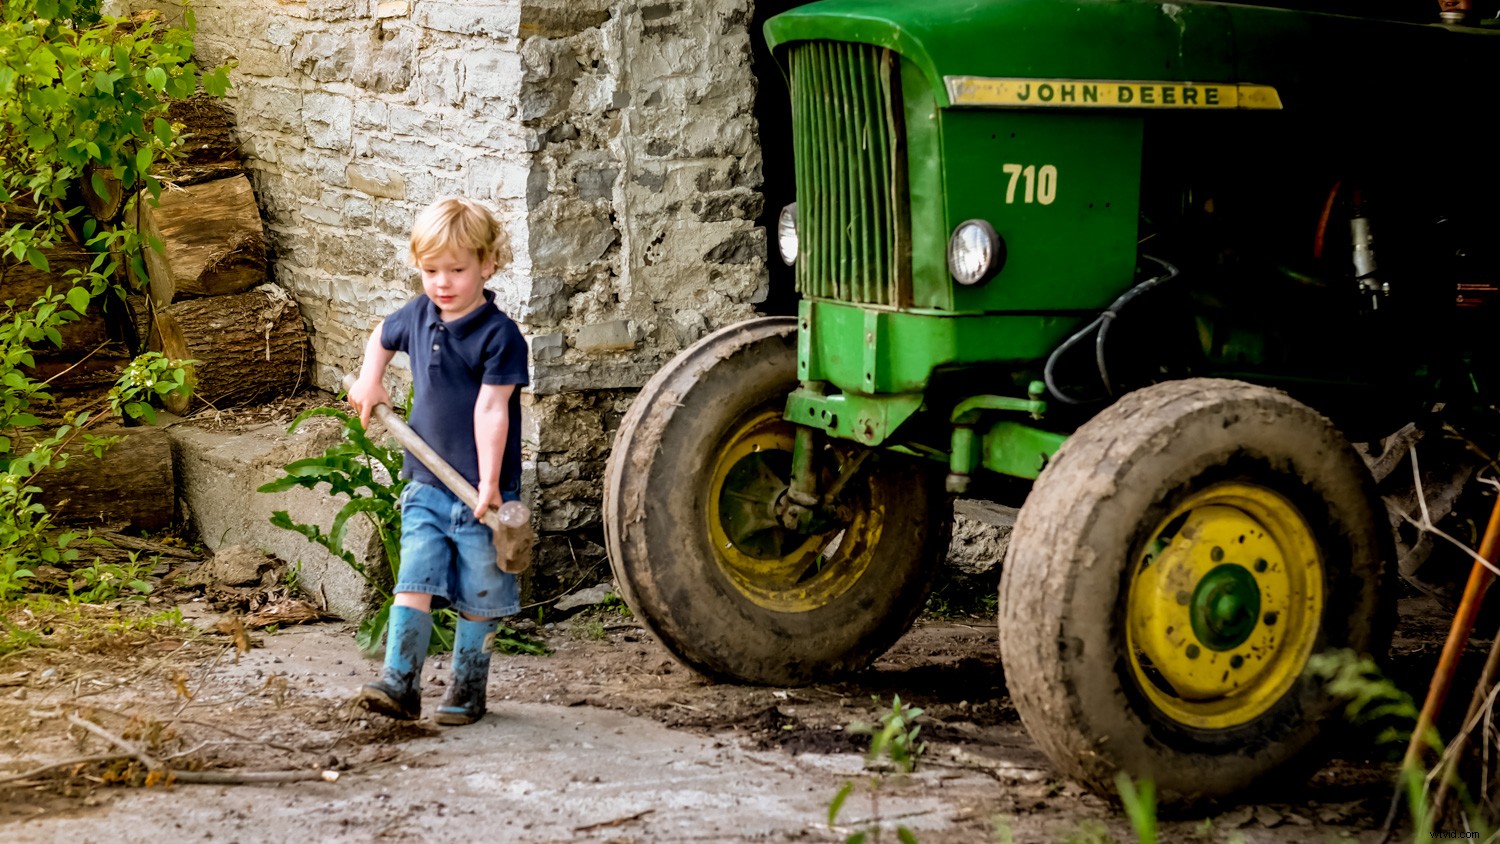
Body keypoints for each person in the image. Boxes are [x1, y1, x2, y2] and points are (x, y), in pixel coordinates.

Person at [346, 197, 529, 726]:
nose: (442, 282)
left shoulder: (500, 336)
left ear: (488, 264)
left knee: (480, 594)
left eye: (457, 270)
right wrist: (369, 378)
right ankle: (399, 684)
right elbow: (381, 336)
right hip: (425, 485)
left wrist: (491, 484)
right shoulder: (419, 314)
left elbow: (492, 409)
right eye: (430, 270)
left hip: (481, 495)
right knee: (414, 580)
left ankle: (467, 690)